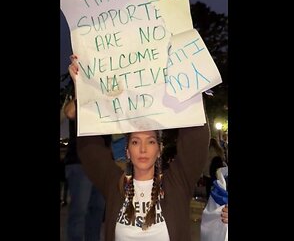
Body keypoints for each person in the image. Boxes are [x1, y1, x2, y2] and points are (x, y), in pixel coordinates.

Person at [68, 55, 210, 241]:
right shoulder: (114, 185)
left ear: (159, 149)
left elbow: (195, 140)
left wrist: (188, 84)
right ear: (127, 150)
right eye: (135, 142)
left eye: (150, 141)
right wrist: (83, 89)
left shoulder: (177, 183)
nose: (143, 149)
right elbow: (89, 149)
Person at [61, 81, 105, 241]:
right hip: (79, 162)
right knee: (80, 210)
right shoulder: (80, 91)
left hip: (101, 164)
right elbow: (69, 112)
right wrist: (83, 90)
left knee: (97, 209)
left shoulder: (106, 98)